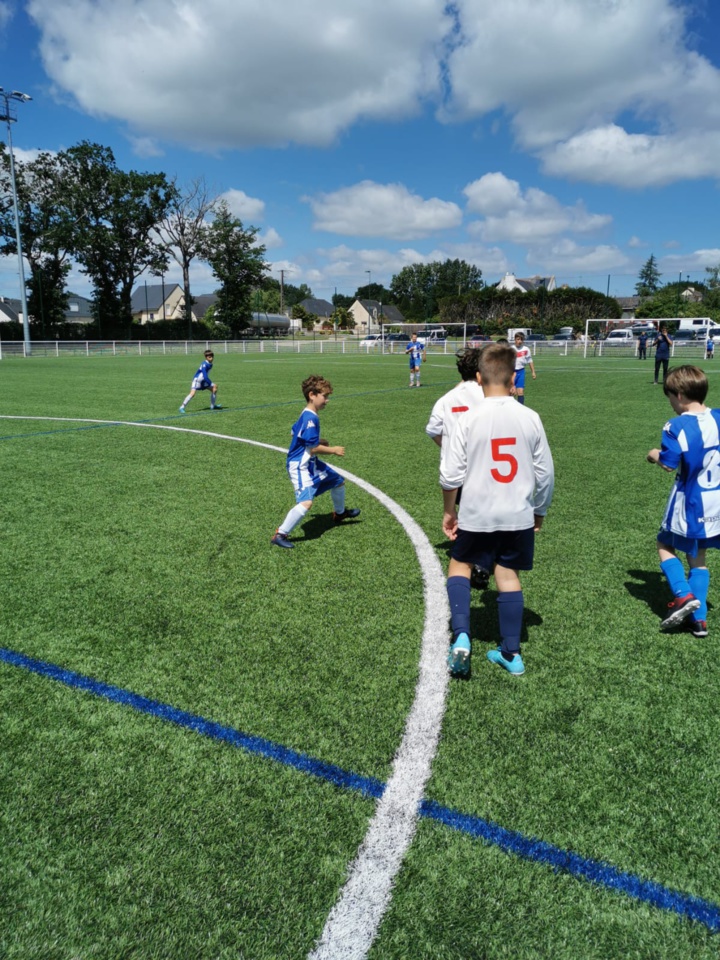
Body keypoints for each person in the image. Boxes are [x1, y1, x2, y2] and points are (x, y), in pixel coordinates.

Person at [440, 342, 554, 677]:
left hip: (477, 512)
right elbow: (545, 472)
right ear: (512, 376)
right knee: (507, 573)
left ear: (478, 377)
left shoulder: (468, 418)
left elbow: (450, 474)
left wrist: (450, 511)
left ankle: (461, 635)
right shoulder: (530, 416)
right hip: (517, 512)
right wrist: (540, 509)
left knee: (460, 564)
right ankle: (511, 653)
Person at [646, 365, 720, 637]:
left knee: (664, 542)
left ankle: (683, 594)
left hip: (689, 500)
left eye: (669, 398)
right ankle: (699, 622)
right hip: (716, 501)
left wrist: (653, 453)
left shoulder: (675, 425)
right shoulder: (719, 418)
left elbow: (668, 464)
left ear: (678, 395)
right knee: (698, 558)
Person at [271, 375, 360, 549]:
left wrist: (318, 441)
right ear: (312, 395)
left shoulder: (306, 414)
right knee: (306, 503)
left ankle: (339, 514)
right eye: (324, 396)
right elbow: (312, 448)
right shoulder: (311, 418)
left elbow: (294, 432)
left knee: (338, 482)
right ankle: (280, 534)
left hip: (311, 463)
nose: (327, 401)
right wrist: (332, 449)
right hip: (300, 465)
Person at [425, 347, 489, 590]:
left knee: (467, 510)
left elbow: (432, 430)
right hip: (487, 464)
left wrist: (449, 445)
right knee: (484, 511)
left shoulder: (447, 398)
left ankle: (469, 556)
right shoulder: (489, 394)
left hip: (457, 469)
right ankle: (482, 560)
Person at [513, 332, 536, 404]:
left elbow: (530, 360)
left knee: (520, 392)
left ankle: (521, 409)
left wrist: (533, 372)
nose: (519, 341)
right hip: (511, 372)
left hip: (521, 371)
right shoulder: (511, 349)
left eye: (521, 340)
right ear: (515, 340)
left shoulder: (526, 349)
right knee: (512, 392)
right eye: (518, 339)